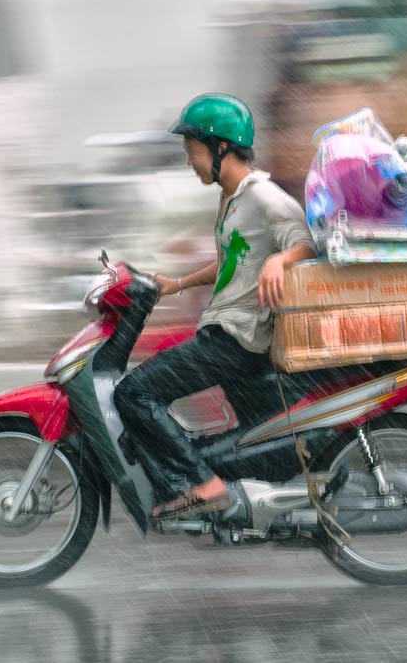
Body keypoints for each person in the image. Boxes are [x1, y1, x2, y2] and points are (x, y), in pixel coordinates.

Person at [115, 93, 317, 518]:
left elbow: (303, 241)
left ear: (220, 147)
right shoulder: (231, 200)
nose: (190, 160)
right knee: (256, 445)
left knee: (134, 392)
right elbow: (233, 263)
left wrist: (282, 259)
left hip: (236, 340)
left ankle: (203, 485)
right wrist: (178, 284)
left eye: (193, 150)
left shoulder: (263, 196)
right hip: (229, 334)